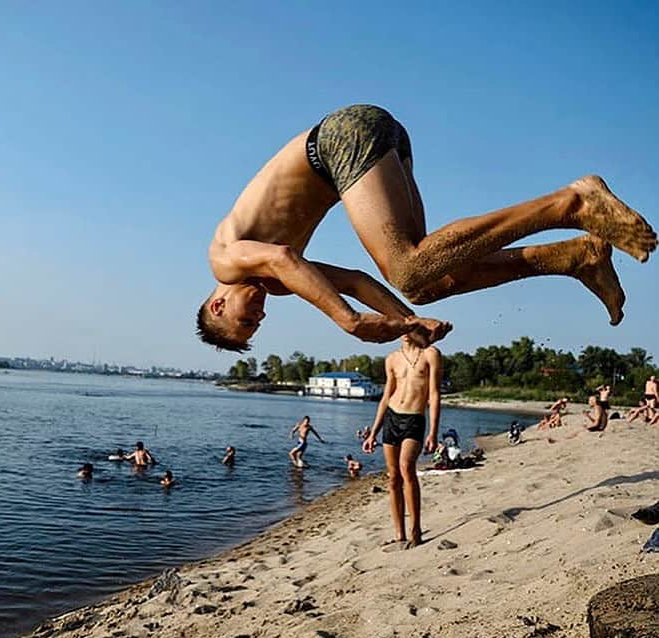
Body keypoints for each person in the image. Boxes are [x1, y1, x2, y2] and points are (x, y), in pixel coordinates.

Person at [198, 104, 655, 353]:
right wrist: (408, 323)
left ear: (218, 304)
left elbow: (286, 258)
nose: (259, 311)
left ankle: (570, 203)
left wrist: (349, 322)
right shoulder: (271, 282)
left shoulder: (226, 259)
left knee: (408, 268)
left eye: (247, 317)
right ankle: (573, 257)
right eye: (258, 322)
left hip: (339, 140)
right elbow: (356, 281)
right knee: (427, 280)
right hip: (373, 144)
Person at [363, 336, 442, 549]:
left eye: (409, 327)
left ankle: (416, 530)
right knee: (393, 478)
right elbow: (386, 396)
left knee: (407, 467)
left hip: (414, 419)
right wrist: (373, 433)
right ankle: (399, 533)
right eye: (401, 328)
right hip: (392, 417)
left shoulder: (430, 354)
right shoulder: (391, 359)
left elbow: (434, 395)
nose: (405, 333)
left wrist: (433, 432)